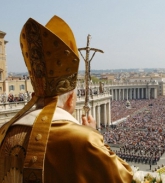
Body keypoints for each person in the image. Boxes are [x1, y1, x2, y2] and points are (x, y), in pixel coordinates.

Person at [0, 16, 133, 183]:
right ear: (71, 99)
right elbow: (124, 177)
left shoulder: (6, 132)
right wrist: (94, 135)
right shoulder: (83, 140)